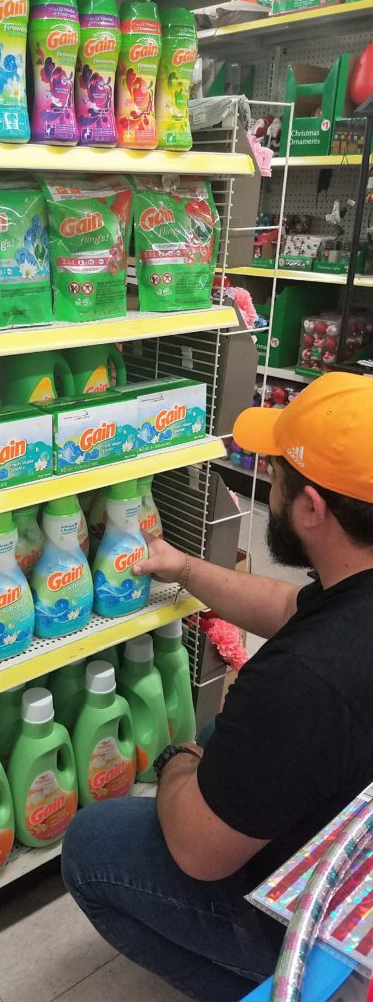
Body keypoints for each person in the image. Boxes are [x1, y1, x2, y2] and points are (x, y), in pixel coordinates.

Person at [61, 371, 373, 1002]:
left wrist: (179, 761)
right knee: (215, 737)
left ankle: (276, 983)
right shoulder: (352, 597)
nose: (268, 478)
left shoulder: (298, 681)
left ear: (312, 509)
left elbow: (200, 856)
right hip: (354, 815)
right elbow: (294, 607)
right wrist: (184, 569)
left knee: (92, 845)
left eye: (277, 471)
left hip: (327, 902)